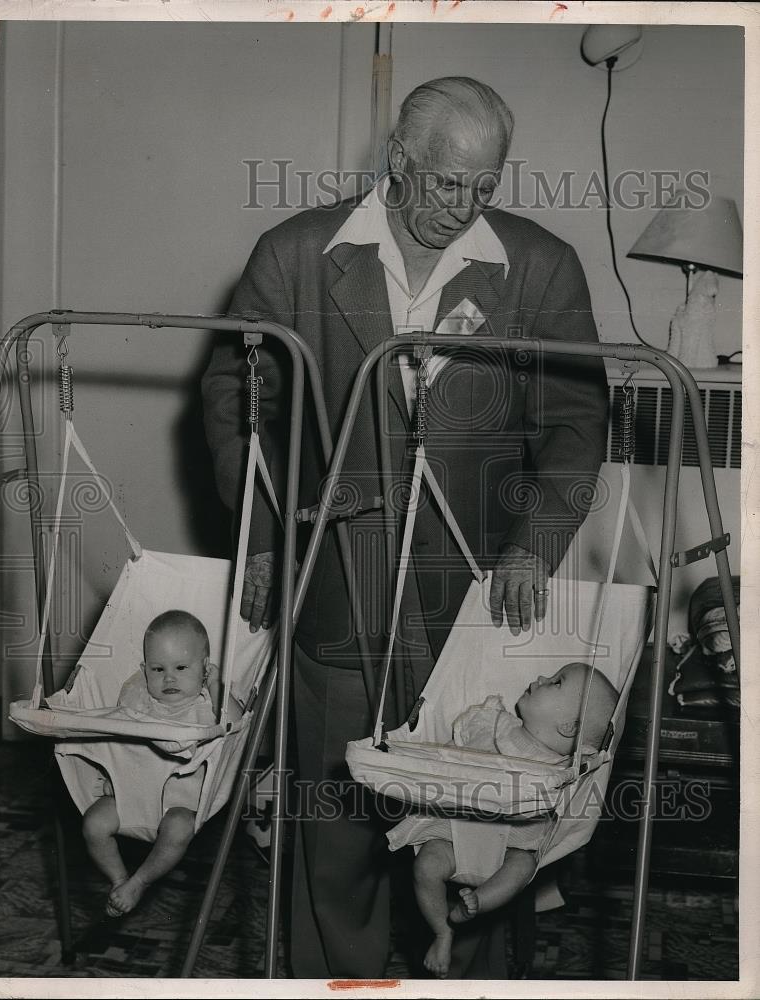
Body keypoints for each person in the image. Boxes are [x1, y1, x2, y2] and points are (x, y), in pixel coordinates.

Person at [202, 77, 608, 977]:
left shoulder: (540, 268)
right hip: (338, 581)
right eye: (445, 184)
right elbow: (241, 404)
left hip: (473, 593)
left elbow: (579, 426)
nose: (463, 209)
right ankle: (333, 981)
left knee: (479, 818)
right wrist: (264, 536)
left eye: (485, 188)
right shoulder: (295, 254)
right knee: (337, 822)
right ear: (398, 161)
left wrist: (532, 544)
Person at [386, 662, 619, 977]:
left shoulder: (564, 767)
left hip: (513, 841)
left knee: (522, 867)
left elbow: (584, 783)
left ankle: (477, 903)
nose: (540, 678)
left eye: (555, 682)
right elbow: (453, 745)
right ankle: (443, 931)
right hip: (458, 828)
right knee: (426, 866)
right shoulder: (491, 722)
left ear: (568, 727)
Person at [81, 610, 240, 916]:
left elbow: (237, 724)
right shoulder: (138, 699)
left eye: (181, 667)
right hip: (129, 796)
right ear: (144, 670)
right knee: (93, 824)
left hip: (178, 805)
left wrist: (219, 685)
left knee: (180, 829)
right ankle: (119, 880)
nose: (169, 677)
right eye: (157, 669)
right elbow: (116, 719)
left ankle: (140, 880)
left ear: (205, 668)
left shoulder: (209, 705)